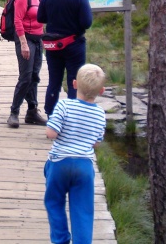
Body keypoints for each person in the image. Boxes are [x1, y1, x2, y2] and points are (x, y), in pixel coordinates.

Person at [44, 63, 107, 244]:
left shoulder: (64, 105)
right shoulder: (100, 114)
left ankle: (61, 239)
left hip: (59, 164)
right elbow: (96, 143)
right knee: (83, 209)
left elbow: (51, 133)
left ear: (74, 84)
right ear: (101, 91)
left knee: (54, 202)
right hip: (84, 167)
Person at [37, 0, 93, 117]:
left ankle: (51, 117)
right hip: (74, 45)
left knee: (54, 82)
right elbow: (86, 22)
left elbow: (41, 17)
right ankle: (72, 119)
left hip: (53, 46)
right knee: (74, 81)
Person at [7, 0, 47, 128]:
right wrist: (23, 44)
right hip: (26, 39)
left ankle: (32, 112)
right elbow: (18, 21)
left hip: (38, 40)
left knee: (35, 77)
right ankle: (14, 113)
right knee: (25, 77)